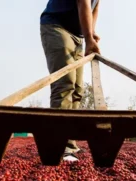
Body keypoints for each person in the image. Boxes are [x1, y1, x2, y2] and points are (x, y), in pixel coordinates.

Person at [40, 0, 101, 162]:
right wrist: (89, 38)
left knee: (77, 89)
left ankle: (70, 142)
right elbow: (83, 3)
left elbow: (95, 8)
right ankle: (59, 145)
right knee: (65, 84)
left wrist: (91, 32)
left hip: (78, 36)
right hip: (57, 26)